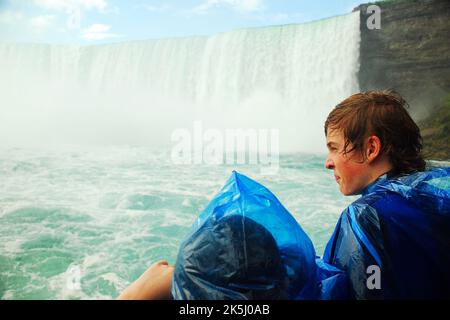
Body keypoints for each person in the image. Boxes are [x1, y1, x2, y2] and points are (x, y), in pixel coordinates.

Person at [118, 89, 449, 299]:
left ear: (371, 148)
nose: (328, 162)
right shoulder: (435, 192)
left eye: (334, 148)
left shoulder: (369, 216)